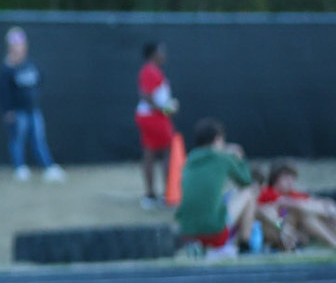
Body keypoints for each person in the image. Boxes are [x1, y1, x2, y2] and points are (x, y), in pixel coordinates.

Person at [175, 118, 257, 258]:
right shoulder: (223, 158)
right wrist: (239, 157)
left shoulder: (188, 160)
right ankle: (244, 246)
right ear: (218, 139)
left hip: (186, 232)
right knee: (248, 193)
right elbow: (246, 181)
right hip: (214, 233)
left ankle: (202, 247)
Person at [0, 27, 65, 182]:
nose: (19, 48)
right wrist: (8, 111)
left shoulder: (31, 65)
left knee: (39, 139)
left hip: (33, 110)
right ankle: (19, 168)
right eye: (16, 45)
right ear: (10, 47)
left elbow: (40, 79)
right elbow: (3, 93)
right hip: (17, 112)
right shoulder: (6, 70)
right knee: (17, 140)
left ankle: (48, 167)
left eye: (21, 44)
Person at [136, 41, 179, 209]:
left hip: (153, 116)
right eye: (161, 52)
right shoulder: (149, 70)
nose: (164, 55)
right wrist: (166, 109)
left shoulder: (152, 71)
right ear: (153, 54)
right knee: (164, 152)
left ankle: (152, 194)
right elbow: (145, 95)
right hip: (154, 117)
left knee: (152, 153)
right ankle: (164, 193)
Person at [258, 162, 336, 252]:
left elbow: (316, 203)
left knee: (319, 214)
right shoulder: (267, 193)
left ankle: (333, 242)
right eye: (286, 178)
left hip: (293, 231)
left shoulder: (292, 194)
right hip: (274, 230)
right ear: (275, 178)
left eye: (292, 178)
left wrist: (328, 209)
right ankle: (333, 242)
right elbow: (269, 213)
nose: (290, 182)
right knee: (300, 212)